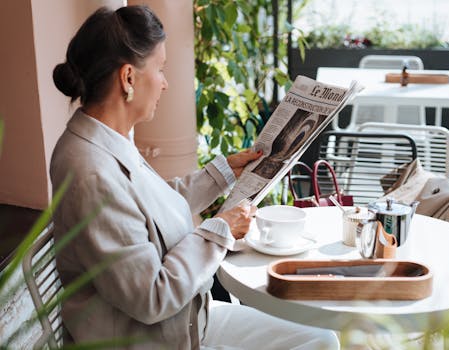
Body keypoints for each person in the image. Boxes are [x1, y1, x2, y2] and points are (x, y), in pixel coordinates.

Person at [51, 5, 339, 349]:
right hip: (153, 338)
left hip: (187, 321)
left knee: (321, 338)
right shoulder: (91, 172)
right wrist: (220, 231)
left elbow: (148, 210)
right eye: (160, 69)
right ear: (128, 78)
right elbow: (152, 297)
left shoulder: (108, 139)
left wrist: (223, 173)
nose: (166, 83)